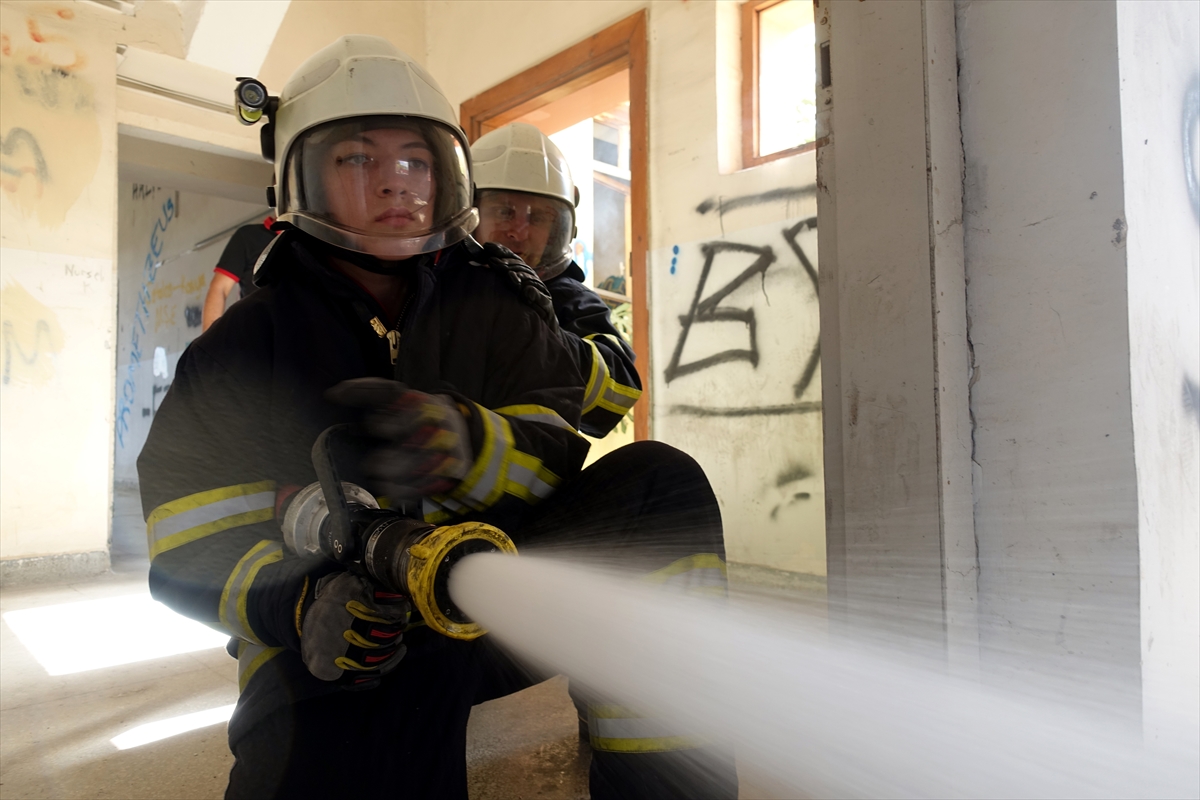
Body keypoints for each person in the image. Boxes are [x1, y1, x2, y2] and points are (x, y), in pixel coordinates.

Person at [138, 35, 735, 800]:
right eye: (358, 159)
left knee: (661, 486)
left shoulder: (501, 302)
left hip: (497, 591)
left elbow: (557, 438)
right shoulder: (247, 344)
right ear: (300, 176)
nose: (396, 182)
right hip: (346, 636)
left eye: (415, 161)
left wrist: (470, 446)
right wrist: (298, 603)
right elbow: (187, 539)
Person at [471, 122, 641, 438]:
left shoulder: (568, 297)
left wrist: (549, 337)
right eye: (505, 212)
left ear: (560, 228)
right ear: (468, 212)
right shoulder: (433, 286)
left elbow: (618, 395)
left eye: (537, 218)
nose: (519, 231)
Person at [201, 216, 278, 331]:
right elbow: (219, 288)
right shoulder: (248, 237)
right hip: (258, 336)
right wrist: (208, 342)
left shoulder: (311, 238)